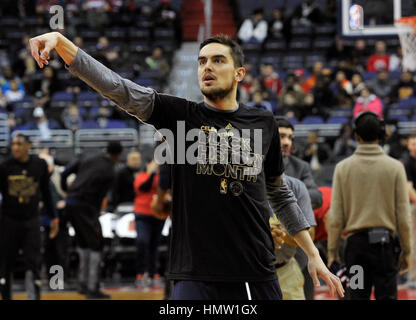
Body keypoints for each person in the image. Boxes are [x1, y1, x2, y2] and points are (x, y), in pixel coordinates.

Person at [29, 32, 343, 300]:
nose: (207, 67)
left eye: (218, 60)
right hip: (193, 273)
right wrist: (61, 43)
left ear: (239, 73)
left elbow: (280, 194)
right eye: (202, 61)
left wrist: (312, 255)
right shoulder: (179, 116)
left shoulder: (263, 123)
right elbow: (117, 87)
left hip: (253, 271)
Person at [328, 111, 412, 300]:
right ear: (382, 135)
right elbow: (404, 216)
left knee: (357, 296)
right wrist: (407, 251)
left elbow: (336, 217)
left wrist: (332, 251)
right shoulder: (395, 167)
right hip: (385, 249)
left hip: (356, 248)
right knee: (387, 297)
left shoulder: (343, 168)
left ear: (356, 135)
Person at [60, 141, 123, 299]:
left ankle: (82, 284)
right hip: (86, 207)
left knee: (83, 243)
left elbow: (64, 172)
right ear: (118, 155)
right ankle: (92, 288)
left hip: (70, 203)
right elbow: (101, 198)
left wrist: (66, 190)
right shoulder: (110, 171)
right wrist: (94, 217)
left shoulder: (88, 156)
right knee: (96, 245)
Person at [0, 134, 59, 300]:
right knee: (6, 263)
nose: (15, 147)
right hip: (8, 221)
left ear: (28, 146)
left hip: (32, 221)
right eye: (13, 144)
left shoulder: (39, 165)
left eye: (19, 144)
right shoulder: (5, 166)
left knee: (33, 262)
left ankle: (34, 297)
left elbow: (47, 194)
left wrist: (54, 218)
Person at [271, 174, 316, 300]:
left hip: (285, 269)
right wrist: (262, 231)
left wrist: (281, 233)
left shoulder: (295, 186)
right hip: (247, 271)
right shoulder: (238, 184)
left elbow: (310, 234)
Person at [134, 158, 166, 291]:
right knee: (143, 242)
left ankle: (153, 273)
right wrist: (152, 174)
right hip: (142, 214)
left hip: (158, 215)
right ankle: (142, 272)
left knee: (155, 245)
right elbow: (143, 188)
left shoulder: (162, 177)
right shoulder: (141, 176)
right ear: (147, 164)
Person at [402, 134, 416, 288]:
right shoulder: (407, 162)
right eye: (413, 143)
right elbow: (408, 188)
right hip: (413, 206)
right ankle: (412, 278)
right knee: (413, 242)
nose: (415, 146)